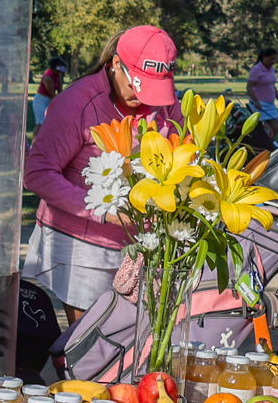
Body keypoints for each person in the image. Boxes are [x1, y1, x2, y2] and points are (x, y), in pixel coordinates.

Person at [21, 26, 182, 323]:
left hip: (146, 245)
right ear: (116, 64)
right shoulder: (76, 103)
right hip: (83, 248)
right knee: (92, 340)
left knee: (142, 339)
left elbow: (183, 153)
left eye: (152, 89)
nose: (142, 97)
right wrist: (103, 210)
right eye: (137, 85)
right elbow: (37, 173)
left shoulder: (167, 106)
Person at [246, 48, 278, 126]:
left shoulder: (272, 69)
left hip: (270, 104)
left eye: (275, 59)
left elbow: (272, 85)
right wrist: (256, 101)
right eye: (271, 59)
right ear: (264, 57)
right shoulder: (256, 69)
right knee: (263, 128)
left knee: (277, 126)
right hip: (259, 104)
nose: (273, 61)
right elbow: (249, 87)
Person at [31, 57, 66, 128]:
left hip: (49, 100)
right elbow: (52, 94)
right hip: (41, 101)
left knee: (52, 122)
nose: (60, 72)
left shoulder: (58, 75)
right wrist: (61, 102)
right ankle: (36, 135)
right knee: (41, 123)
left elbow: (60, 90)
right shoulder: (48, 77)